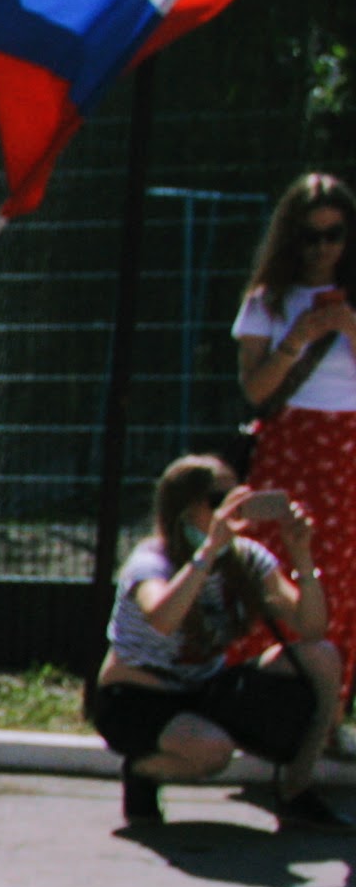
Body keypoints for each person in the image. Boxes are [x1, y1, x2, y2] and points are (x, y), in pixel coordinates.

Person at [90, 455, 344, 831]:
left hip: (204, 687)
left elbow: (311, 628)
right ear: (185, 509)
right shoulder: (152, 560)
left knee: (322, 656)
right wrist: (207, 552)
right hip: (137, 696)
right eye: (218, 499)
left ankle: (297, 790)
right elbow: (163, 618)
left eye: (237, 495)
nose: (231, 508)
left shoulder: (245, 558)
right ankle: (143, 771)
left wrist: (302, 556)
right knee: (212, 752)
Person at [232, 174, 355, 592]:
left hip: (349, 444)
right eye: (310, 237)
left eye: (334, 235)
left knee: (344, 565)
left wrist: (350, 329)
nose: (323, 248)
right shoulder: (267, 299)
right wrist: (294, 341)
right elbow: (255, 390)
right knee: (278, 562)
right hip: (290, 442)